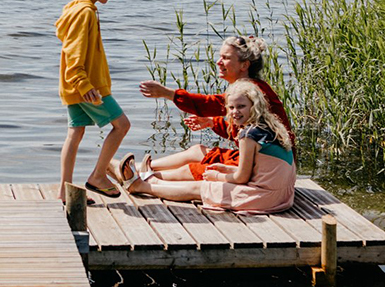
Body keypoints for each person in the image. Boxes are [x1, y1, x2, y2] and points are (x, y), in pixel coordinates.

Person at [127, 35, 292, 183]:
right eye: (220, 56)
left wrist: (169, 94)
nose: (219, 62)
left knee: (195, 168)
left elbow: (208, 104)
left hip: (268, 168)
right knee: (196, 151)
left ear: (244, 65)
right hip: (258, 159)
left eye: (226, 58)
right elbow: (249, 131)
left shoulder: (252, 91)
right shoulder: (247, 88)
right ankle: (141, 167)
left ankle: (141, 179)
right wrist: (213, 122)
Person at [122, 79, 295, 214]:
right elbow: (256, 169)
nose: (235, 112)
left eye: (241, 107)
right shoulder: (269, 125)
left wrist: (217, 176)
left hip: (265, 197)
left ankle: (143, 186)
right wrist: (225, 170)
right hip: (283, 195)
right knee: (208, 173)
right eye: (231, 107)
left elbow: (242, 178)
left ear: (255, 106)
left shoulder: (247, 135)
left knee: (200, 187)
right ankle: (151, 178)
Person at [55, 0, 131, 200]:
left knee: (75, 133)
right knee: (122, 125)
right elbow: (73, 51)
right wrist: (84, 83)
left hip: (75, 86)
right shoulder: (84, 13)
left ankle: (64, 191)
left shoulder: (77, 9)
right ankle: (98, 176)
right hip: (87, 86)